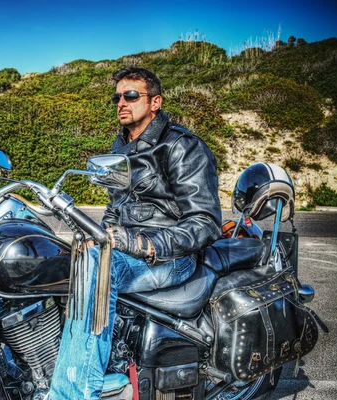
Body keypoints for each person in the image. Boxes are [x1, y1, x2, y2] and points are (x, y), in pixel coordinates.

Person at [49, 67, 222, 399]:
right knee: (59, 260)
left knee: (98, 270)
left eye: (131, 96)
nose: (121, 102)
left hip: (170, 256)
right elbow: (116, 208)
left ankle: (72, 393)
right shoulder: (120, 147)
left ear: (155, 102)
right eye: (117, 97)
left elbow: (204, 221)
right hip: (126, 250)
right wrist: (96, 235)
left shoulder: (181, 146)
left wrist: (145, 243)